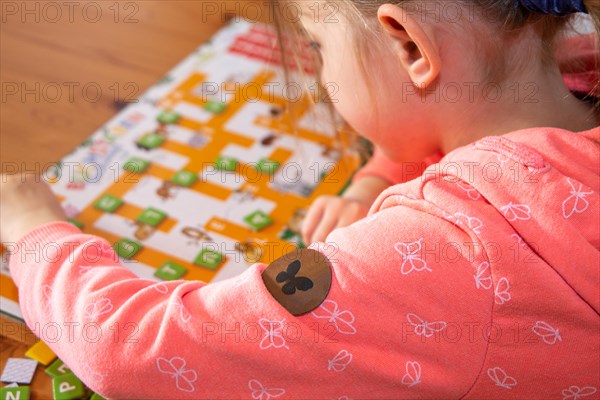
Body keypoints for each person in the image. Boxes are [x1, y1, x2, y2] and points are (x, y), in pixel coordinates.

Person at [1, 0, 598, 398]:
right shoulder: (578, 70)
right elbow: (472, 119)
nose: (316, 72)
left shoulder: (454, 251)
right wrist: (377, 178)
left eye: (317, 48)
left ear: (410, 47)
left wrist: (34, 228)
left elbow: (137, 354)